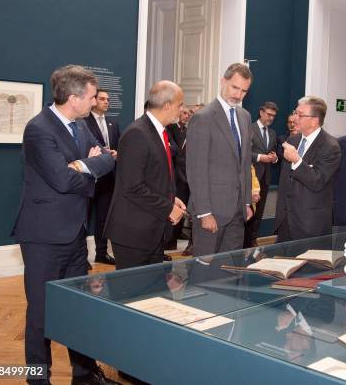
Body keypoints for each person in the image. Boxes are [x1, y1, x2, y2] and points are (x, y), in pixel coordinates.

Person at [11, 65, 118, 385]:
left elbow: (109, 158)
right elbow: (61, 179)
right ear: (73, 98)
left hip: (74, 234)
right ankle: (37, 380)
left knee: (77, 308)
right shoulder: (39, 129)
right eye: (91, 97)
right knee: (42, 315)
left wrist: (84, 164)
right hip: (43, 236)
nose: (95, 102)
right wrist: (91, 165)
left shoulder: (81, 125)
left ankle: (85, 375)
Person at [104, 81, 186, 270]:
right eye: (180, 104)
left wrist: (171, 198)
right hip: (134, 233)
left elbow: (153, 178)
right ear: (167, 105)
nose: (183, 109)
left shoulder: (158, 132)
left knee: (152, 295)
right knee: (132, 296)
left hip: (151, 230)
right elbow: (132, 187)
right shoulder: (137, 133)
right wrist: (168, 208)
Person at [186, 63, 254, 256]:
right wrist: (204, 212)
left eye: (244, 91)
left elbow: (245, 163)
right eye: (234, 87)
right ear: (223, 81)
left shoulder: (245, 116)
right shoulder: (203, 117)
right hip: (211, 213)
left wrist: (247, 201)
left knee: (229, 272)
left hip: (238, 212)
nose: (238, 95)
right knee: (204, 273)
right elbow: (196, 169)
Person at [275, 96, 341, 242]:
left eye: (300, 114)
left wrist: (297, 161)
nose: (294, 118)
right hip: (285, 223)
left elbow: (317, 181)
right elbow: (286, 181)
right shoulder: (292, 140)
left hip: (311, 226)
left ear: (314, 120)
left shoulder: (331, 147)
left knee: (310, 265)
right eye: (295, 112)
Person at [84, 89, 120, 265]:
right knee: (84, 216)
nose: (106, 102)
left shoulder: (112, 122)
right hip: (89, 176)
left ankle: (102, 252)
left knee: (103, 217)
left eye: (108, 99)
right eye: (102, 99)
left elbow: (118, 146)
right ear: (94, 100)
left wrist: (116, 153)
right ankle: (82, 257)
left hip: (108, 177)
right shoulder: (83, 121)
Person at [244, 101, 279, 247]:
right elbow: (244, 153)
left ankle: (253, 240)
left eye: (273, 116)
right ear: (261, 112)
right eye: (269, 114)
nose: (271, 118)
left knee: (259, 213)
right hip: (250, 179)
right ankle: (244, 242)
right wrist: (260, 157)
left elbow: (274, 152)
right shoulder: (249, 129)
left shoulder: (272, 133)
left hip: (265, 179)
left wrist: (275, 157)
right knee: (248, 212)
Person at [168, 105, 194, 255]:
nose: (186, 116)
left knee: (184, 208)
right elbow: (174, 149)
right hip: (175, 173)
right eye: (184, 113)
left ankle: (176, 238)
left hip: (187, 173)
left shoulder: (188, 130)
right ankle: (170, 241)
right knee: (175, 205)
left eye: (188, 114)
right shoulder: (171, 128)